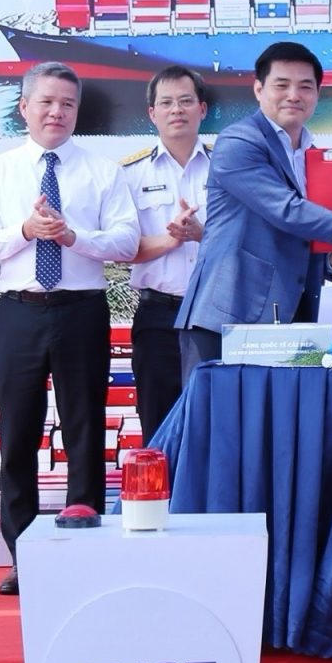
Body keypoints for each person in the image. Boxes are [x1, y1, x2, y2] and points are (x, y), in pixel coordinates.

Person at [0, 62, 137, 597]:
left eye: (67, 104)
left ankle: (84, 545)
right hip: (19, 311)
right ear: (24, 108)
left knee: (85, 429)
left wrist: (72, 237)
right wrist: (25, 230)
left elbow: (126, 242)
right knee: (17, 433)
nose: (56, 112)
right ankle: (23, 555)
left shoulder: (102, 171)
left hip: (81, 309)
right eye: (46, 102)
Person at [174, 41, 332, 378]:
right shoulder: (239, 142)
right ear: (258, 89)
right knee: (219, 413)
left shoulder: (312, 155)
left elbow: (306, 233)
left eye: (305, 86)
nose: (294, 95)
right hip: (227, 318)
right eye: (282, 85)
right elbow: (287, 211)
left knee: (285, 413)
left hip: (291, 323)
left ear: (317, 94)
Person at [120, 65, 210, 438]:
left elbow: (244, 241)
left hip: (213, 312)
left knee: (213, 423)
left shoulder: (228, 167)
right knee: (159, 427)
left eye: (186, 101)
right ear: (152, 113)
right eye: (167, 103)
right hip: (158, 316)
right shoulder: (129, 174)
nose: (177, 110)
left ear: (202, 109)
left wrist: (203, 234)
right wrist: (171, 240)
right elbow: (122, 249)